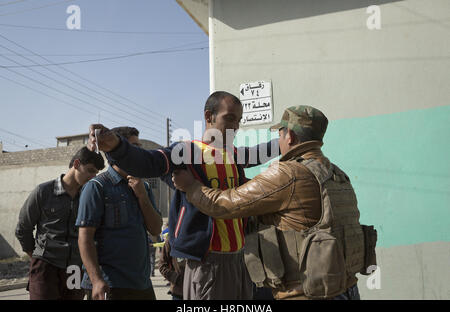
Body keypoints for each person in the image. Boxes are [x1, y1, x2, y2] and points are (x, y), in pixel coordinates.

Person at [87, 91, 279, 300]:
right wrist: (116, 145)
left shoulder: (233, 155)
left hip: (239, 259)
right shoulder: (188, 152)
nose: (236, 126)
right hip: (208, 263)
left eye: (239, 120)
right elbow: (148, 161)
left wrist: (289, 138)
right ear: (209, 117)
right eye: (230, 118)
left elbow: (263, 151)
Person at [172, 105, 377, 300]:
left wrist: (191, 187)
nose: (279, 140)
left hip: (306, 293)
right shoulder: (336, 174)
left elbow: (225, 204)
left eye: (279, 134)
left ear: (290, 136)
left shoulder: (287, 173)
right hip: (346, 288)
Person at [76, 126, 162, 300]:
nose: (138, 152)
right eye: (133, 147)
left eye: (139, 147)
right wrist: (97, 280)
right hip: (110, 285)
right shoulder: (96, 187)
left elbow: (155, 229)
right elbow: (84, 238)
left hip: (142, 284)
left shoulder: (143, 187)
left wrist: (142, 197)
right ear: (115, 151)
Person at [15, 147, 104, 300]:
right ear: (76, 164)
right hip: (45, 266)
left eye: (96, 173)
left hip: (74, 270)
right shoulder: (43, 192)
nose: (92, 176)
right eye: (90, 170)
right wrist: (37, 256)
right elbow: (23, 229)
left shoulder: (88, 197)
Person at [159, 236, 185, 300]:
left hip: (196, 291)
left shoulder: (197, 238)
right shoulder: (171, 241)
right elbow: (162, 265)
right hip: (178, 292)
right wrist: (175, 278)